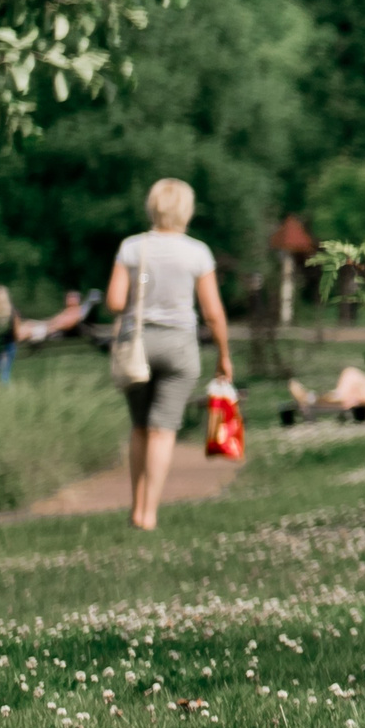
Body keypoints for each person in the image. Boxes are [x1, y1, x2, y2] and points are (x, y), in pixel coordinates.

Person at [105, 178, 234, 531]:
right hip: (179, 346)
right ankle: (149, 514)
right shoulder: (197, 252)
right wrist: (224, 354)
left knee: (140, 428)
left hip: (139, 346)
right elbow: (212, 313)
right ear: (186, 210)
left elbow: (115, 302)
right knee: (163, 430)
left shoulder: (131, 248)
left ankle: (135, 507)